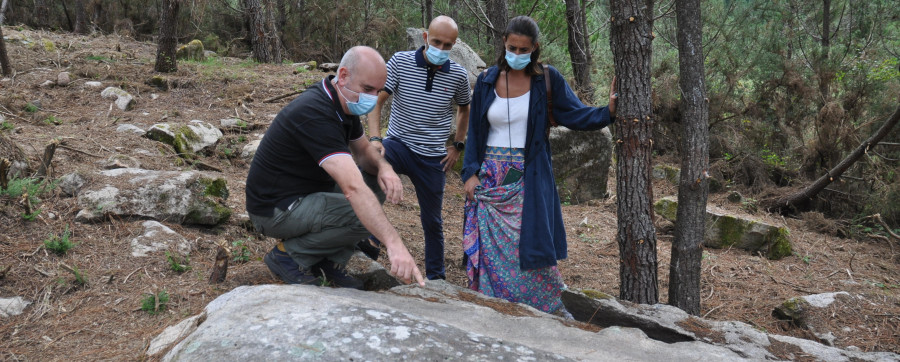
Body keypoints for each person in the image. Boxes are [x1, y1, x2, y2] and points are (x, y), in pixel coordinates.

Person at [460, 16, 617, 313]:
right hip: (489, 178)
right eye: (511, 48)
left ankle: (544, 306)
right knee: (494, 247)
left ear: (534, 48)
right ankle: (494, 304)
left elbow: (576, 115)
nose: (517, 55)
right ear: (503, 44)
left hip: (527, 174)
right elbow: (475, 134)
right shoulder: (486, 80)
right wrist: (470, 174)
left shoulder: (547, 79)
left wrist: (607, 111)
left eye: (523, 50)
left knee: (526, 242)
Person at [246, 46, 425, 289]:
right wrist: (395, 244)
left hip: (304, 194)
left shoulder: (344, 102)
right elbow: (353, 188)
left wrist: (384, 167)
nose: (373, 97)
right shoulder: (315, 112)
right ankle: (288, 255)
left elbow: (363, 151)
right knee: (361, 213)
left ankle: (326, 261)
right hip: (274, 209)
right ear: (343, 76)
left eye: (378, 91)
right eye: (368, 89)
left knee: (376, 183)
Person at [366, 15, 471, 280]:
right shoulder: (400, 62)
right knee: (367, 172)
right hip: (398, 144)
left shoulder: (458, 75)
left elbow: (464, 108)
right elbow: (376, 102)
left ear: (454, 45)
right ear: (425, 37)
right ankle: (364, 247)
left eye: (448, 45)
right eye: (436, 42)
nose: (441, 49)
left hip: (433, 156)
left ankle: (437, 279)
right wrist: (376, 139)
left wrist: (457, 145)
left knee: (433, 221)